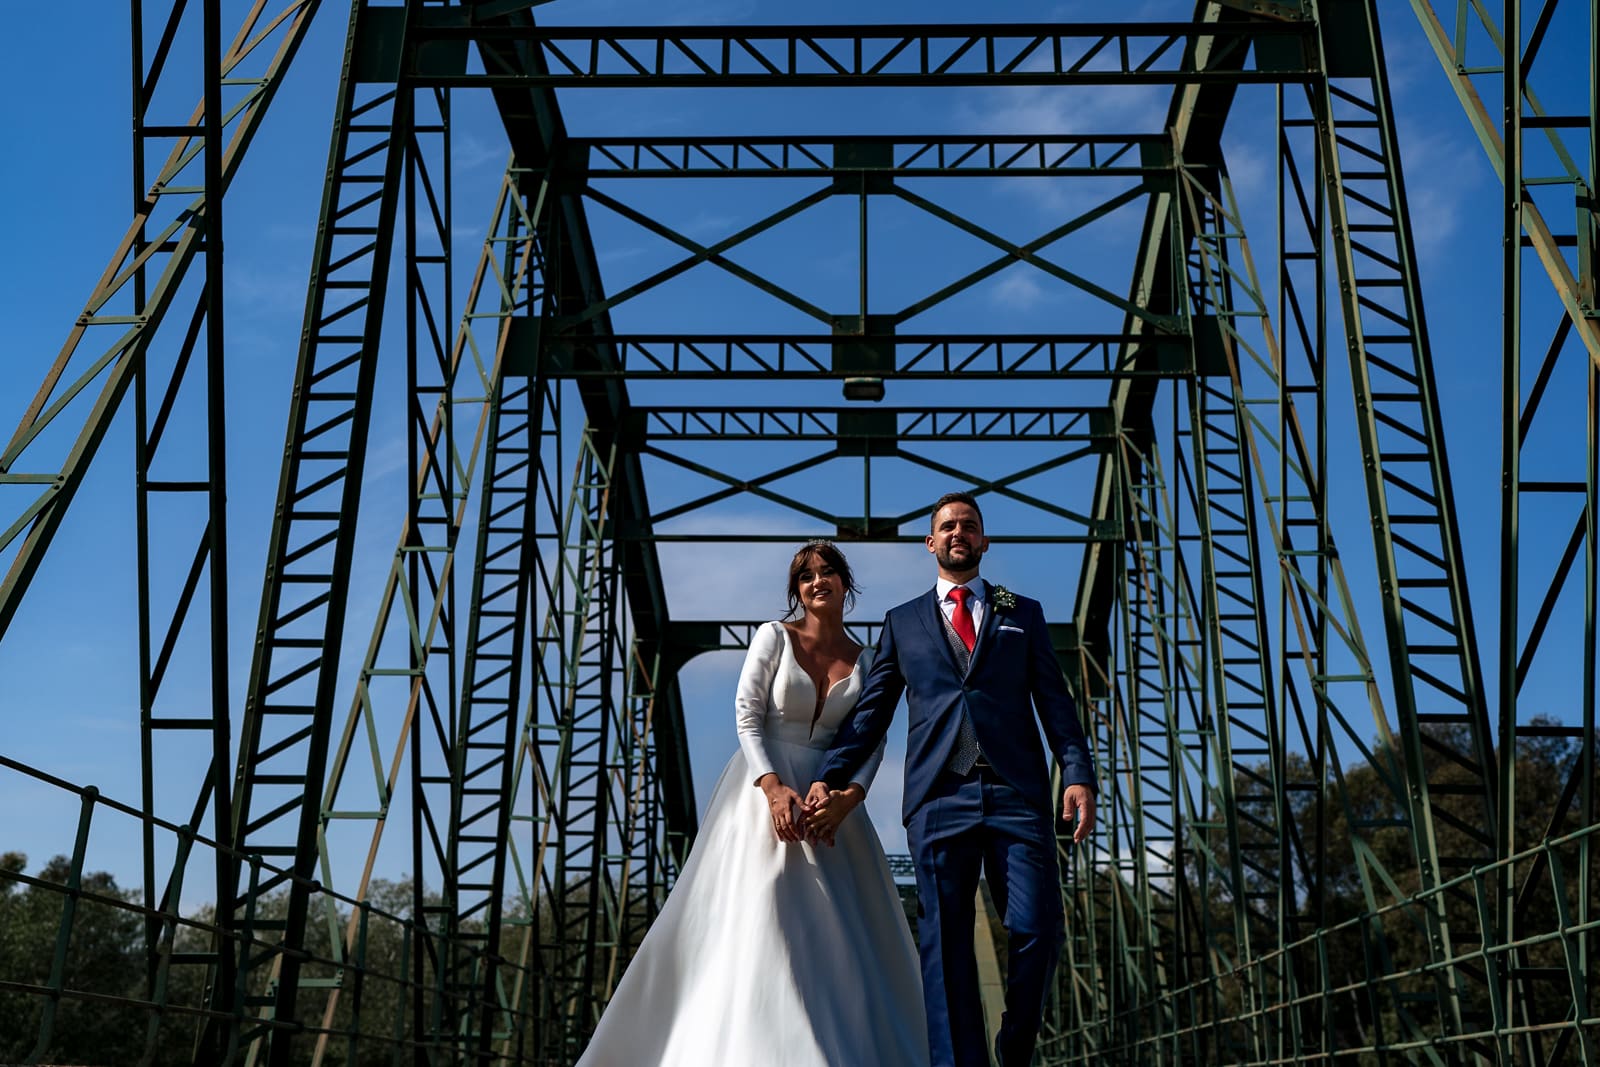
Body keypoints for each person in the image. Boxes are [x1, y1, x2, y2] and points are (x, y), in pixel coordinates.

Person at [575, 540, 929, 1067]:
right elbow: (747, 713)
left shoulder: (869, 659)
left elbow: (872, 738)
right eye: (805, 576)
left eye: (827, 572)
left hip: (827, 804)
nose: (817, 581)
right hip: (762, 788)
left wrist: (848, 797)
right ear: (797, 591)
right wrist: (770, 786)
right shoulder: (774, 637)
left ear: (845, 583)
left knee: (837, 935)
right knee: (762, 912)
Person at [807, 492, 1097, 1067]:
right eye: (947, 526)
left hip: (1017, 795)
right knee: (946, 949)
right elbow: (871, 716)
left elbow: (1057, 706)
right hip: (939, 796)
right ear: (930, 542)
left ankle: (1014, 1050)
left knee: (1038, 929)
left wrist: (1078, 774)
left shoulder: (1022, 611)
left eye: (969, 525)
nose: (957, 532)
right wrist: (827, 775)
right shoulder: (904, 620)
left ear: (984, 542)